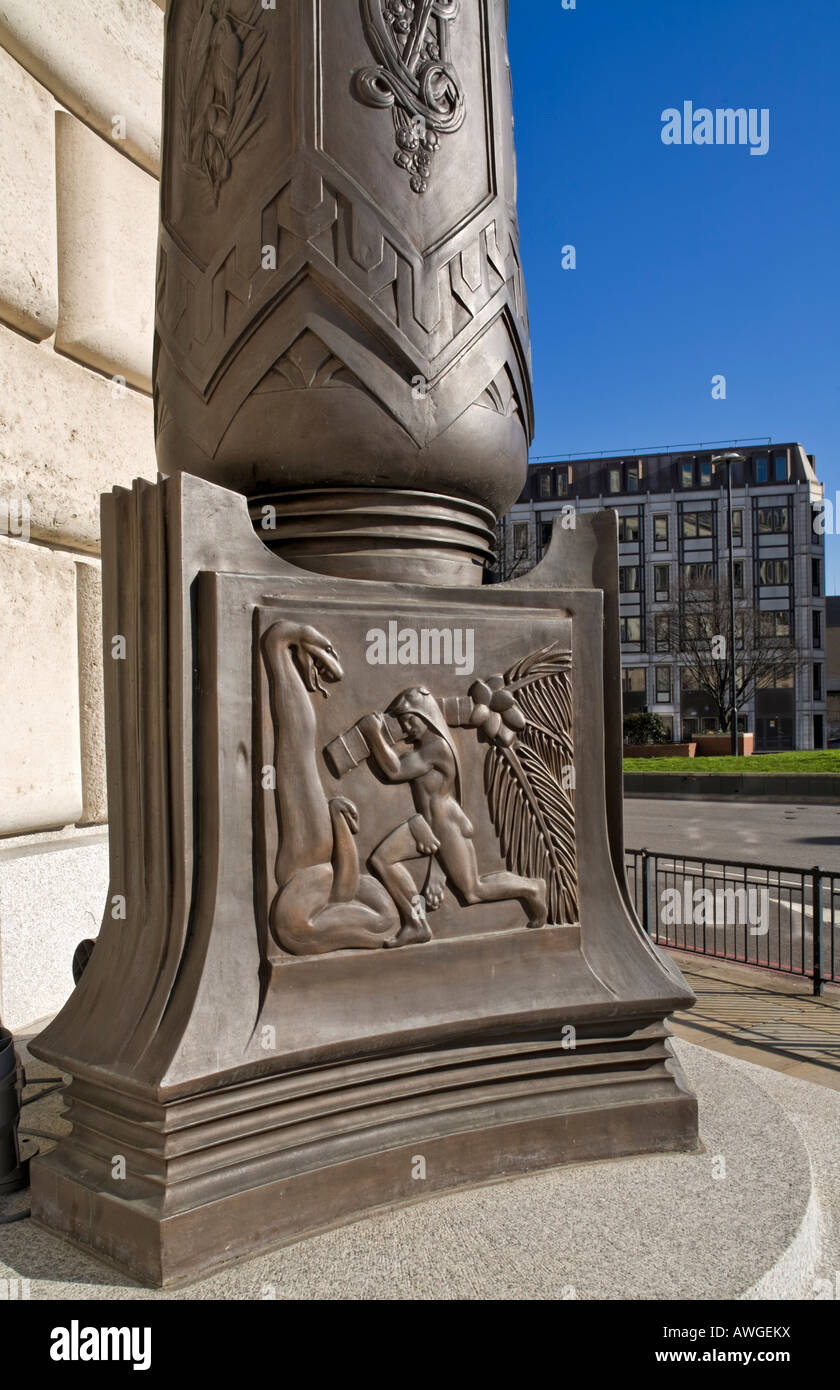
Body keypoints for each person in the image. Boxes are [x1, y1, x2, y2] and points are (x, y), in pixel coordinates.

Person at [359, 688, 547, 947]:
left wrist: (373, 734)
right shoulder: (426, 747)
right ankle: (416, 922)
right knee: (382, 860)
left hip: (446, 827)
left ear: (424, 716)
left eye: (409, 719)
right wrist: (437, 866)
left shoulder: (438, 748)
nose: (405, 727)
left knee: (472, 891)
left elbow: (395, 770)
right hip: (424, 825)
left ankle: (531, 888)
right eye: (402, 721)